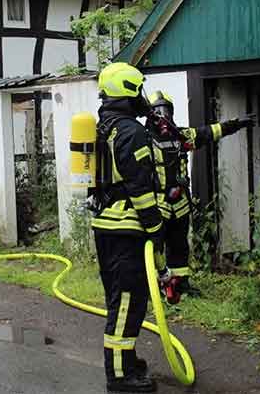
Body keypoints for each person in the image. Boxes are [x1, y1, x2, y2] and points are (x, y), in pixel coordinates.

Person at [91, 62, 164, 393]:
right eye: (138, 89)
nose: (142, 97)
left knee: (119, 300)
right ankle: (120, 376)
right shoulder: (131, 131)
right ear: (127, 91)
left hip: (106, 224)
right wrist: (155, 226)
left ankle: (127, 362)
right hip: (126, 228)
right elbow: (140, 186)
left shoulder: (104, 126)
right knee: (128, 302)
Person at [146, 91, 253, 294]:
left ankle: (180, 284)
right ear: (150, 114)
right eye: (158, 110)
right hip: (156, 204)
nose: (163, 115)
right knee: (155, 248)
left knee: (179, 246)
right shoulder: (143, 139)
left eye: (166, 109)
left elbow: (208, 133)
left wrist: (236, 124)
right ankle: (154, 287)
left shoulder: (181, 136)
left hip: (180, 204)